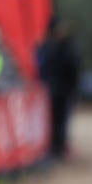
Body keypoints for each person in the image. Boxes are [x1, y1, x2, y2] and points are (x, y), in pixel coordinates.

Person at [36, 16, 82, 160]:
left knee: (63, 120)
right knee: (53, 120)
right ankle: (54, 147)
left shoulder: (68, 47)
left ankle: (60, 146)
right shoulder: (47, 47)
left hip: (65, 91)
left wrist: (73, 88)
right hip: (51, 91)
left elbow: (74, 68)